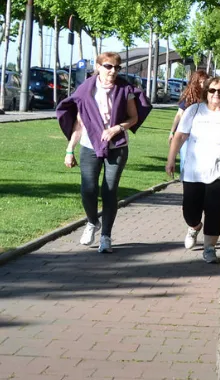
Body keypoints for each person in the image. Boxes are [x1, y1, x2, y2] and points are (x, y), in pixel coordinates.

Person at [56, 52, 152, 254]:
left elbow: (133, 117)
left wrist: (117, 128)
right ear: (98, 67)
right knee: (88, 190)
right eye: (108, 66)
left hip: (117, 146)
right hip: (90, 145)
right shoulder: (85, 91)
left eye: (117, 67)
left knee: (109, 191)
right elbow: (80, 122)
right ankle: (92, 222)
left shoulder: (125, 89)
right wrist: (69, 150)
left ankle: (106, 236)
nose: (113, 71)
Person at [166, 76, 220, 263]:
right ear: (206, 92)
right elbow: (179, 136)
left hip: (218, 171)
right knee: (190, 211)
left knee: (214, 211)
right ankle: (194, 226)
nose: (216, 94)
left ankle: (209, 248)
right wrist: (171, 160)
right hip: (193, 170)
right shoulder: (194, 110)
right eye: (212, 90)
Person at [169, 70, 208, 147]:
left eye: (204, 82)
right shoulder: (189, 97)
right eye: (200, 82)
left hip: (201, 134)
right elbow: (179, 114)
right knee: (184, 158)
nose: (202, 85)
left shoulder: (208, 97)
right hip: (185, 133)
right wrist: (172, 132)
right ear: (195, 83)